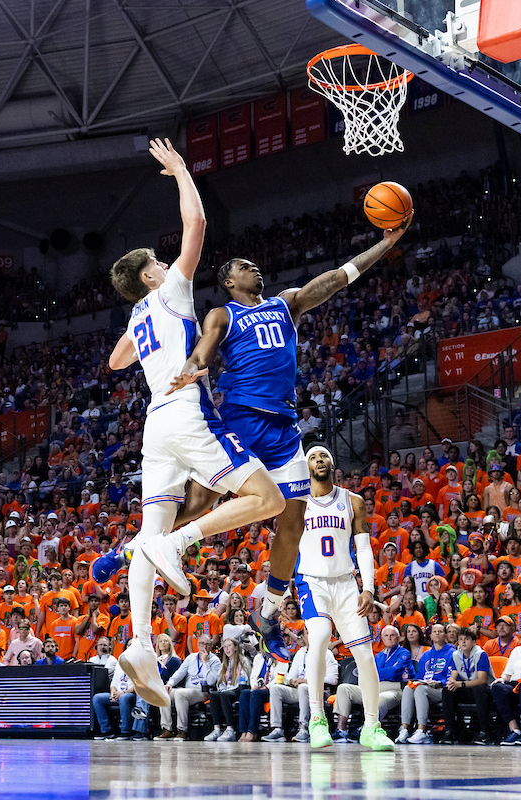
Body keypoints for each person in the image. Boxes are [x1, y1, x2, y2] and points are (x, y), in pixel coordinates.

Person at [145, 209, 411, 661]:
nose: (256, 269)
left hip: (285, 429)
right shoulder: (222, 315)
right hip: (242, 420)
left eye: (255, 265)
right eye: (245, 267)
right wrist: (191, 370)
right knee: (198, 504)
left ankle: (267, 612)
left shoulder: (285, 303)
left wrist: (384, 246)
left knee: (293, 521)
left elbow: (336, 279)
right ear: (229, 281)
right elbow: (202, 353)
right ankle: (139, 548)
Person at [101, 139, 286, 707]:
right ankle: (181, 542)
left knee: (146, 536)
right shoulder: (172, 290)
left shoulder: (137, 314)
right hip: (185, 412)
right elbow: (197, 222)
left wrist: (142, 335)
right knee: (269, 498)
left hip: (153, 427)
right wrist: (181, 169)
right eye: (157, 265)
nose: (166, 264)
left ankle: (138, 644)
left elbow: (115, 361)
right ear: (153, 278)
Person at [287, 446, 393, 749]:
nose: (319, 461)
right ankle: (318, 720)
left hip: (346, 584)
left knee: (365, 656)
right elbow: (286, 546)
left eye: (323, 456)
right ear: (306, 466)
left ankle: (372, 727)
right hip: (311, 581)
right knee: (319, 636)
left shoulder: (353, 501)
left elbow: (363, 548)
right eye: (313, 457)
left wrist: (368, 588)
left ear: (333, 463)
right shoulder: (297, 503)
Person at [263, 627, 337, 743]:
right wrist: (293, 681)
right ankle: (277, 729)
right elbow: (289, 676)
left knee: (303, 687)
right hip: (299, 690)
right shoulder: (300, 653)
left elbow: (333, 679)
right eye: (308, 633)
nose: (310, 636)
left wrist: (308, 681)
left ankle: (304, 728)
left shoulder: (326, 653)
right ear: (303, 637)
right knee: (276, 688)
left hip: (318, 691)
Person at [396, 621, 455, 744]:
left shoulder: (452, 652)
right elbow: (419, 676)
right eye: (435, 631)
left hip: (442, 689)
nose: (437, 634)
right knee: (408, 688)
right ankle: (405, 729)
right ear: (430, 635)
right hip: (426, 687)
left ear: (445, 635)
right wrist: (420, 681)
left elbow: (453, 676)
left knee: (420, 689)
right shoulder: (425, 655)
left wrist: (439, 683)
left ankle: (421, 731)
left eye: (440, 631)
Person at [442, 627, 493, 744]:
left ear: (473, 642)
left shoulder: (481, 654)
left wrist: (460, 684)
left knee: (477, 689)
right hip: (467, 688)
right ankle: (450, 731)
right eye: (460, 639)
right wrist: (450, 683)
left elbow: (481, 680)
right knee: (447, 690)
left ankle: (484, 732)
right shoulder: (456, 655)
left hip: (485, 690)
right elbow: (453, 675)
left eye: (466, 639)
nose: (463, 642)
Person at [164, 635, 220, 741]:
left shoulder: (215, 660)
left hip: (203, 691)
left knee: (180, 693)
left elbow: (211, 681)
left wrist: (205, 662)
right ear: (198, 644)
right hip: (188, 690)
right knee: (164, 693)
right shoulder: (191, 658)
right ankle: (167, 729)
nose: (204, 646)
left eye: (207, 644)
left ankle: (182, 730)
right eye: (202, 643)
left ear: (211, 646)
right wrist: (169, 684)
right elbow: (179, 673)